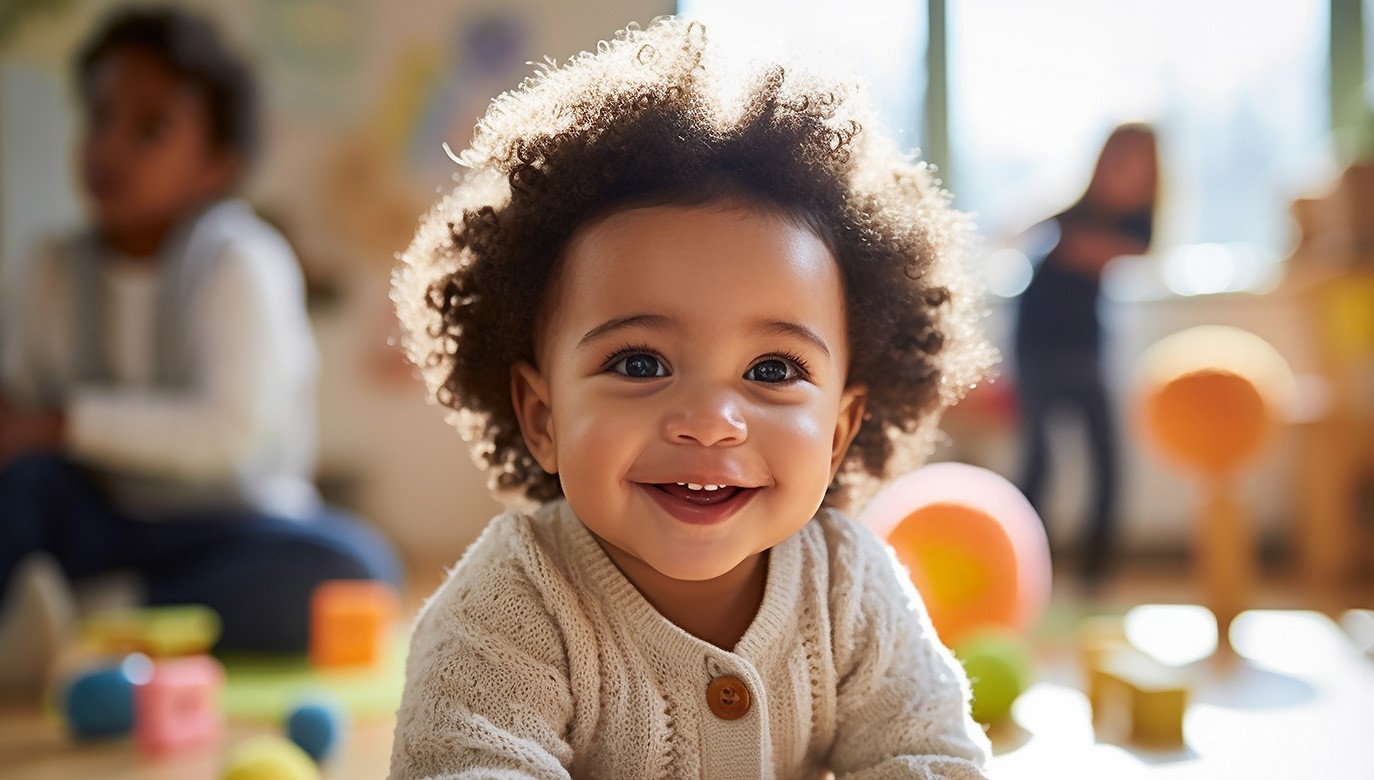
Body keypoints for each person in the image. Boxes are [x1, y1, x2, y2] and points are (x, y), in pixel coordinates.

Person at [385, 17, 996, 777]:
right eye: (640, 363)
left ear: (839, 431)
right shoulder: (511, 605)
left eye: (772, 370)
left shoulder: (849, 587)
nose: (710, 422)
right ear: (543, 418)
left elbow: (932, 756)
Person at [0, 6, 399, 690]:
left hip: (228, 528)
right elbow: (25, 419)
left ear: (218, 165)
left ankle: (95, 617)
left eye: (149, 128)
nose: (109, 146)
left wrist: (63, 423)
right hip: (97, 516)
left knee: (352, 569)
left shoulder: (243, 261)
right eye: (100, 117)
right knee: (22, 489)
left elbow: (232, 437)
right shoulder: (52, 267)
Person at [1012, 124, 1159, 592]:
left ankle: (1096, 572)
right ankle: (1022, 566)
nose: (1126, 171)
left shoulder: (1137, 224)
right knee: (1039, 462)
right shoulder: (1075, 213)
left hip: (1085, 348)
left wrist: (1082, 246)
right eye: (1120, 159)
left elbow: (1105, 252)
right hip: (1037, 343)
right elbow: (1028, 235)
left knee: (1107, 461)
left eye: (1139, 163)